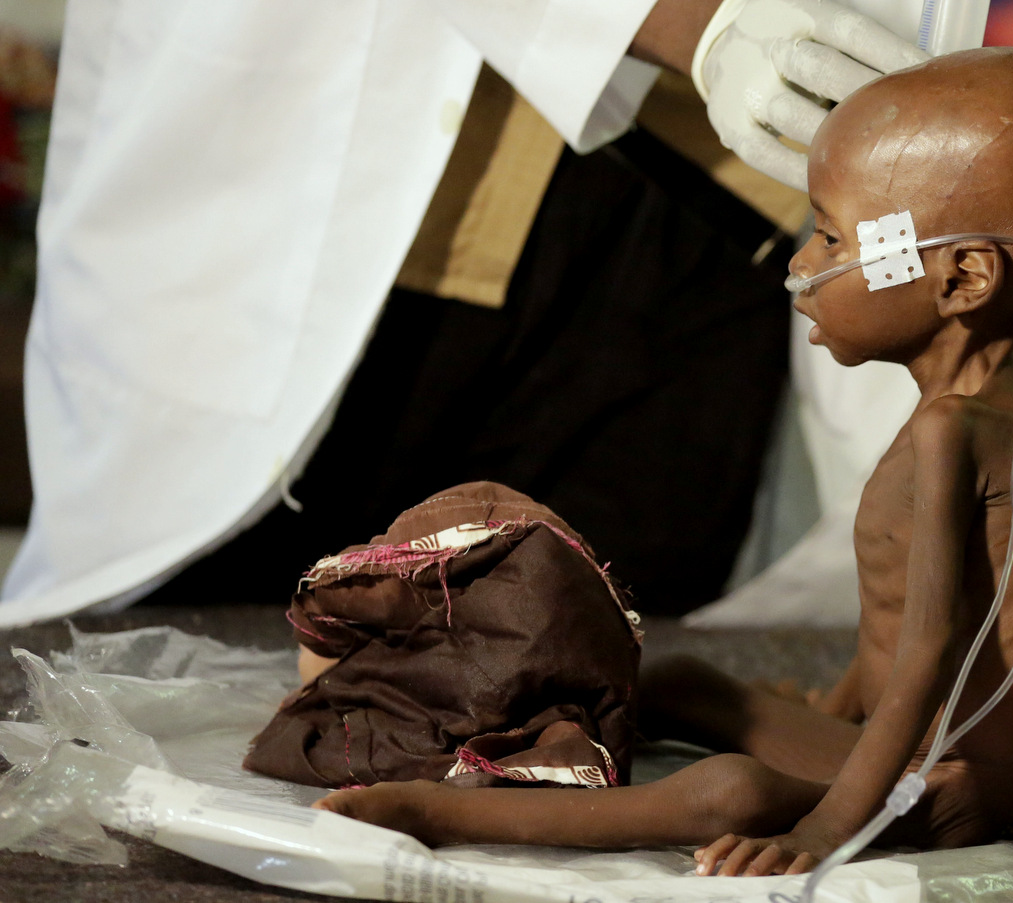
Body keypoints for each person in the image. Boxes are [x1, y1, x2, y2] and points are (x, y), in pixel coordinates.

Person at [314, 46, 1013, 876]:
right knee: (685, 682)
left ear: (962, 278)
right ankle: (516, 745)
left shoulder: (952, 433)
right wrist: (839, 708)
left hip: (959, 783)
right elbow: (963, 608)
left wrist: (827, 827)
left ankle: (436, 810)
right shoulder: (1006, 404)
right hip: (950, 744)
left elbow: (927, 655)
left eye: (829, 237)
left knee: (730, 791)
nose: (800, 267)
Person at [0, 0, 930, 625]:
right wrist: (690, 24)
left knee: (597, 667)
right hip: (327, 190)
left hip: (708, 191)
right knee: (213, 678)